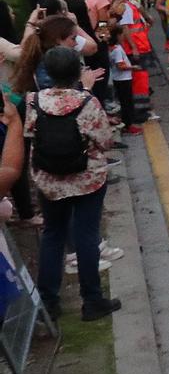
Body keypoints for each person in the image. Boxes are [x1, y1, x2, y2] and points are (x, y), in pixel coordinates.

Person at [27, 47, 118, 321]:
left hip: (49, 180)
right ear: (77, 72)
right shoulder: (86, 102)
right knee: (86, 235)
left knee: (53, 235)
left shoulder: (35, 101)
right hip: (86, 178)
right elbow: (105, 139)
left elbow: (31, 133)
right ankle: (92, 301)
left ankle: (49, 302)